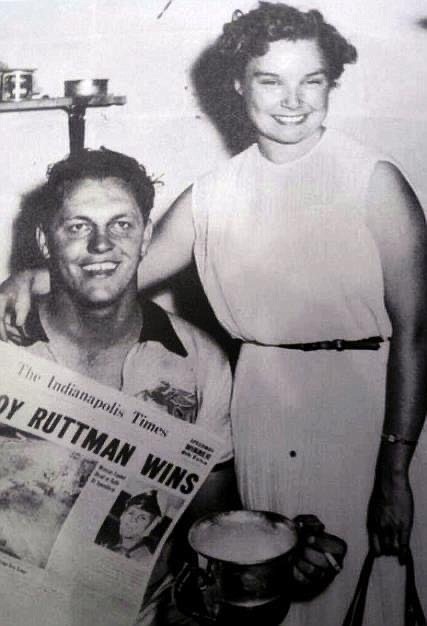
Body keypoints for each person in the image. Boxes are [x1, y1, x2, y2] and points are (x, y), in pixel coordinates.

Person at [3, 146, 345, 624]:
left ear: (146, 238)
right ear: (45, 239)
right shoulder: (6, 344)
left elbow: (208, 530)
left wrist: (285, 557)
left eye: (122, 225)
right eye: (78, 226)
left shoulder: (201, 362)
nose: (101, 244)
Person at [102, 491, 166, 562]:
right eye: (131, 513)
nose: (133, 520)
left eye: (142, 518)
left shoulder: (146, 560)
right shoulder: (107, 545)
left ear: (150, 527)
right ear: (122, 515)